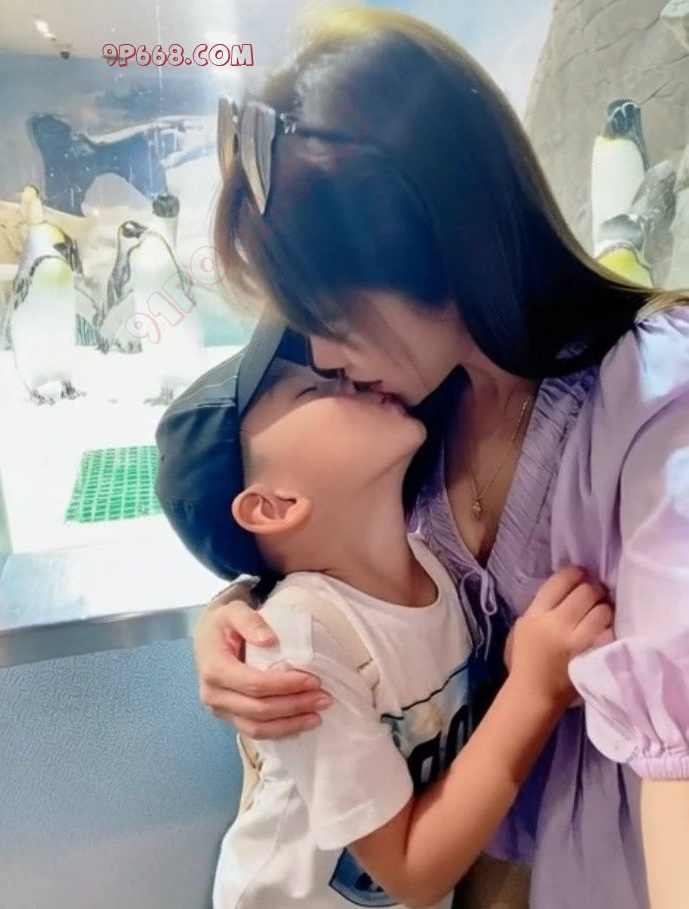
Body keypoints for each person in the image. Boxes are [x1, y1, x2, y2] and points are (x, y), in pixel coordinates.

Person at [192, 7, 689, 908]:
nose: (324, 358)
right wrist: (236, 614)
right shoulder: (413, 416)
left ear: (431, 245)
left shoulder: (654, 406)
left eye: (327, 318)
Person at [154, 319, 612, 909]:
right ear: (274, 506)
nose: (344, 374)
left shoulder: (433, 569)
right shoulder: (296, 644)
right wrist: (535, 689)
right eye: (313, 389)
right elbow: (412, 875)